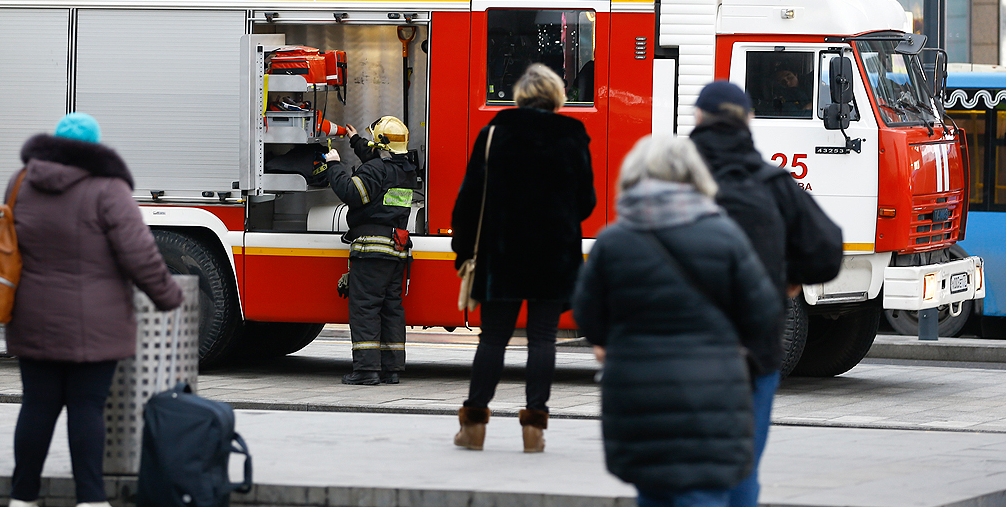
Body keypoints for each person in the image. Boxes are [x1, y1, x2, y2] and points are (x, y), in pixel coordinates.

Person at [571, 135, 780, 507]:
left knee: (652, 492)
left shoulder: (614, 241)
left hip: (636, 393)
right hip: (713, 390)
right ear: (694, 176)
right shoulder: (725, 235)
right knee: (703, 493)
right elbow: (763, 312)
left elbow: (587, 316)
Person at [6, 113, 184, 507]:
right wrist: (169, 296)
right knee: (87, 408)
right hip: (96, 321)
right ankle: (90, 498)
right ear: (95, 146)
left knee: (37, 405)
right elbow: (139, 255)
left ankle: (22, 497)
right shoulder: (108, 187)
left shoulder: (22, 182)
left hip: (32, 314)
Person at [689, 81, 843, 507]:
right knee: (741, 470)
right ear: (748, 122)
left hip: (677, 352)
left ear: (698, 119)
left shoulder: (668, 176)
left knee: (680, 471)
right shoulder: (773, 183)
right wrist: (789, 277)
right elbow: (828, 250)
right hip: (752, 352)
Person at [450, 63, 595, 453]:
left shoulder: (495, 132)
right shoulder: (573, 134)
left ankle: (475, 424)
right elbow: (587, 202)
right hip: (554, 254)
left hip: (502, 253)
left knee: (493, 337)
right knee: (543, 338)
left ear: (521, 94)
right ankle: (534, 429)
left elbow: (469, 198)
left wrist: (462, 250)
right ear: (556, 96)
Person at [324, 115, 417, 386]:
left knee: (365, 308)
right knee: (391, 310)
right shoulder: (405, 169)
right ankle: (391, 369)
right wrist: (355, 141)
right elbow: (380, 162)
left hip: (371, 251)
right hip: (396, 251)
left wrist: (334, 165)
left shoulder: (376, 171)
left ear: (380, 144)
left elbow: (351, 192)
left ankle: (366, 371)